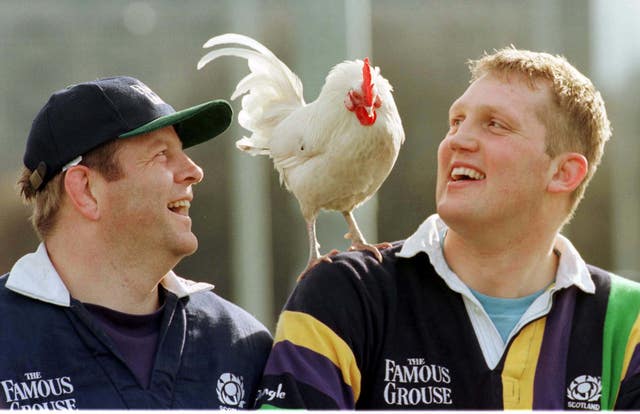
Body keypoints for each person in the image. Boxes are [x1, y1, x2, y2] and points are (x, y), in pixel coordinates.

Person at [254, 47, 640, 410]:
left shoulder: (629, 320)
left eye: (495, 125)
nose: (457, 140)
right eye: (456, 121)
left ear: (563, 173)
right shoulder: (341, 296)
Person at [0, 76, 272, 409]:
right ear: (85, 190)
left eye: (182, 152)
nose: (194, 171)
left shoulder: (243, 343)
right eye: (160, 155)